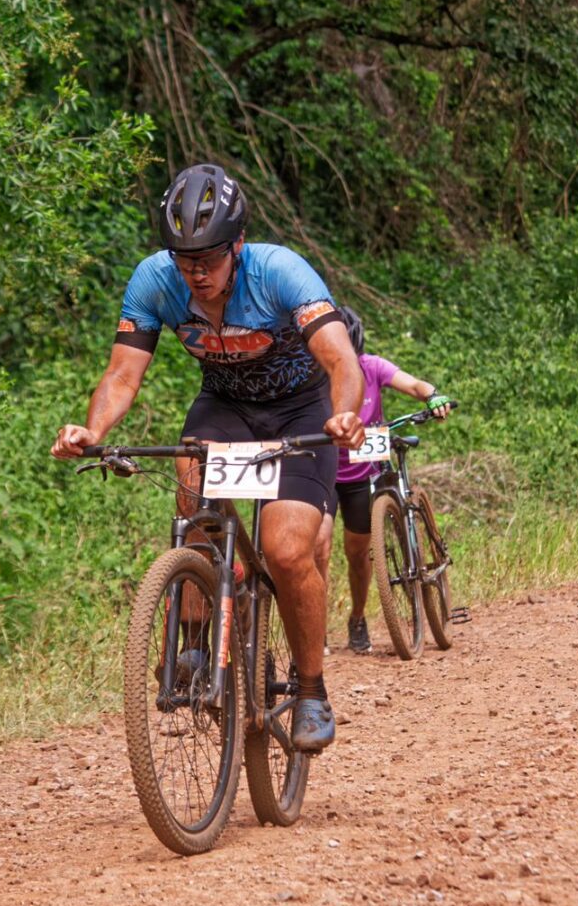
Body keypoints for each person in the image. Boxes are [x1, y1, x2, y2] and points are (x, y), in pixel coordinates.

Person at [52, 163, 365, 752]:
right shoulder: (154, 280)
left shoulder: (279, 271)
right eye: (183, 257)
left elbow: (341, 361)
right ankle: (196, 640)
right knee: (193, 497)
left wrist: (344, 415)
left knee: (288, 548)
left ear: (238, 245)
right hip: (224, 406)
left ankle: (312, 689)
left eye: (209, 258)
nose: (195, 271)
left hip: (300, 411)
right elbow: (122, 375)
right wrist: (91, 431)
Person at [315, 305, 452, 654]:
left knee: (358, 552)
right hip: (326, 469)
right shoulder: (312, 378)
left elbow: (411, 383)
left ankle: (357, 618)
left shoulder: (372, 367)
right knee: (320, 545)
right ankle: (315, 626)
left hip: (364, 472)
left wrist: (432, 395)